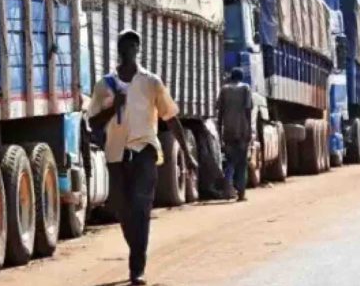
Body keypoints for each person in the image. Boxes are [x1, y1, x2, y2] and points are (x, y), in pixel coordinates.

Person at [87, 29, 197, 286]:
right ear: (119, 50)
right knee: (122, 210)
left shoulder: (151, 82)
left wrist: (188, 154)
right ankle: (136, 249)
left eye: (132, 45)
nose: (128, 50)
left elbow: (170, 118)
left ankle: (137, 267)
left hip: (144, 152)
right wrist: (114, 108)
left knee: (141, 208)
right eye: (124, 46)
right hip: (116, 154)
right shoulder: (105, 85)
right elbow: (92, 121)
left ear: (138, 49)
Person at [217, 67, 253, 202]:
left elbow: (220, 113)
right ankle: (241, 193)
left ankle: (227, 189)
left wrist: (220, 131)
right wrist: (249, 130)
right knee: (242, 163)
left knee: (230, 161)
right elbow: (248, 110)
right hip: (242, 130)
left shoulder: (224, 89)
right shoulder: (245, 88)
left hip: (228, 131)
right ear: (241, 77)